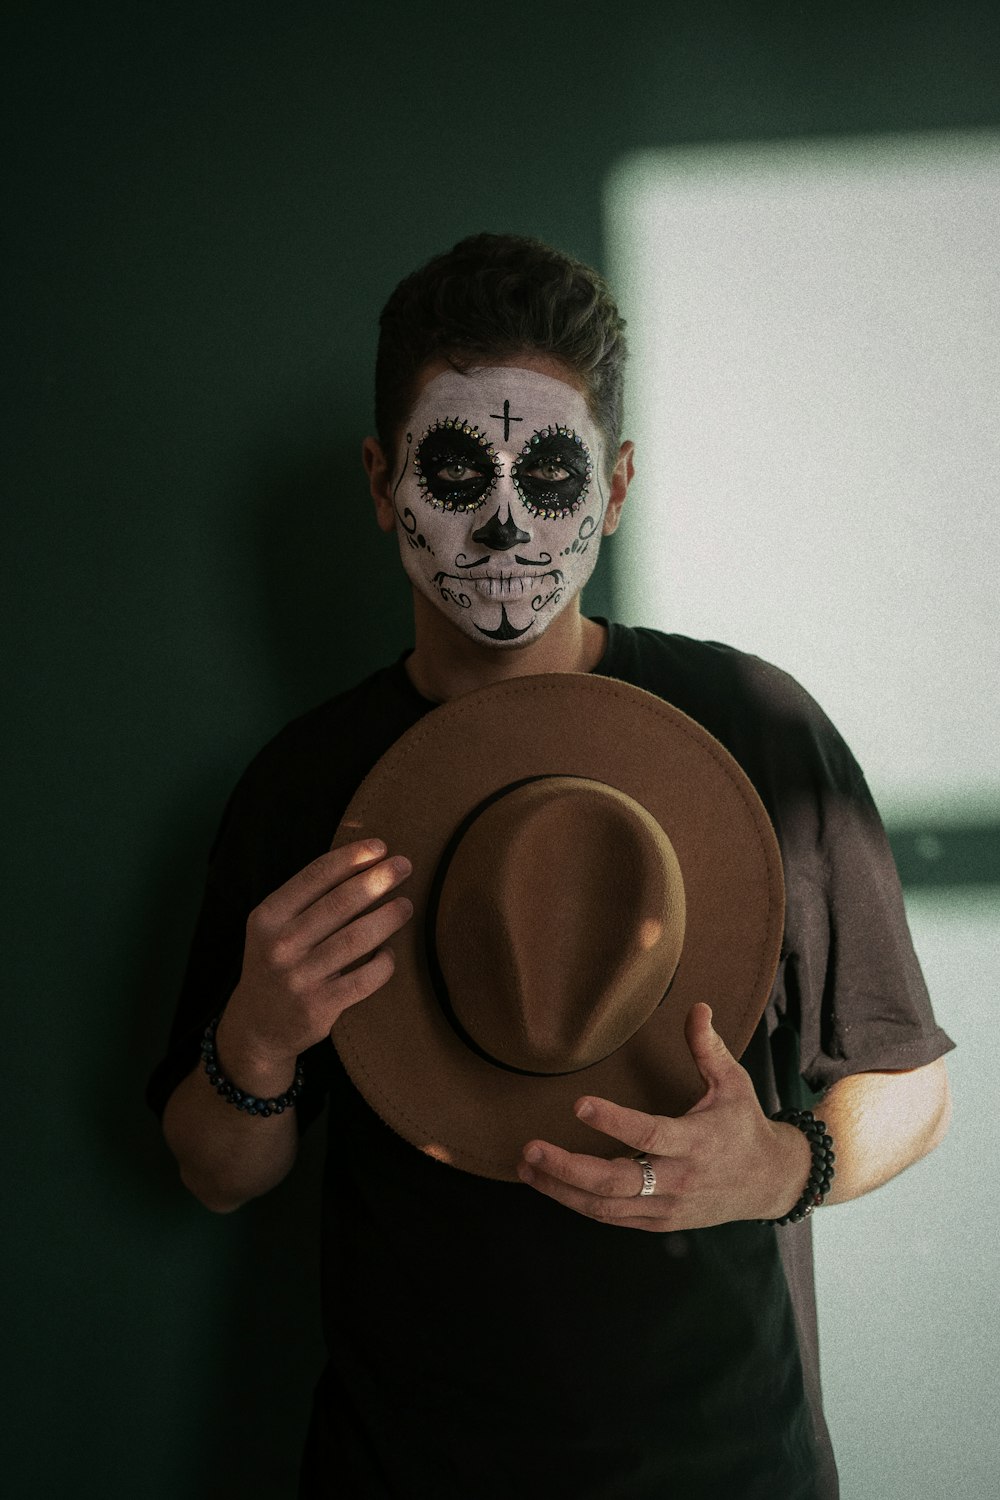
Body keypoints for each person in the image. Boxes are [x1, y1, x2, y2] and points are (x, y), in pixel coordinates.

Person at [148, 232, 955, 1499]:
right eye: (457, 473)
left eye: (555, 475)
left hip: (725, 1463)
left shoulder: (755, 731)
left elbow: (906, 1081)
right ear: (381, 481)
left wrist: (782, 1164)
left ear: (618, 486)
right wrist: (255, 1042)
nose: (508, 524)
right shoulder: (306, 783)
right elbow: (211, 1171)